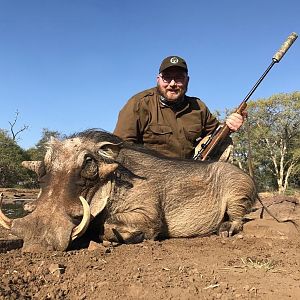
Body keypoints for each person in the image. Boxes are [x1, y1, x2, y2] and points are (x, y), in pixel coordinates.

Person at [114, 55, 244, 160]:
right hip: (151, 176)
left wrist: (231, 124)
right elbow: (120, 145)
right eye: (167, 78)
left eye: (179, 78)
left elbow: (215, 133)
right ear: (158, 79)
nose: (172, 84)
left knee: (225, 143)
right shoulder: (139, 103)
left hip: (189, 172)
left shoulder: (198, 106)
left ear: (187, 80)